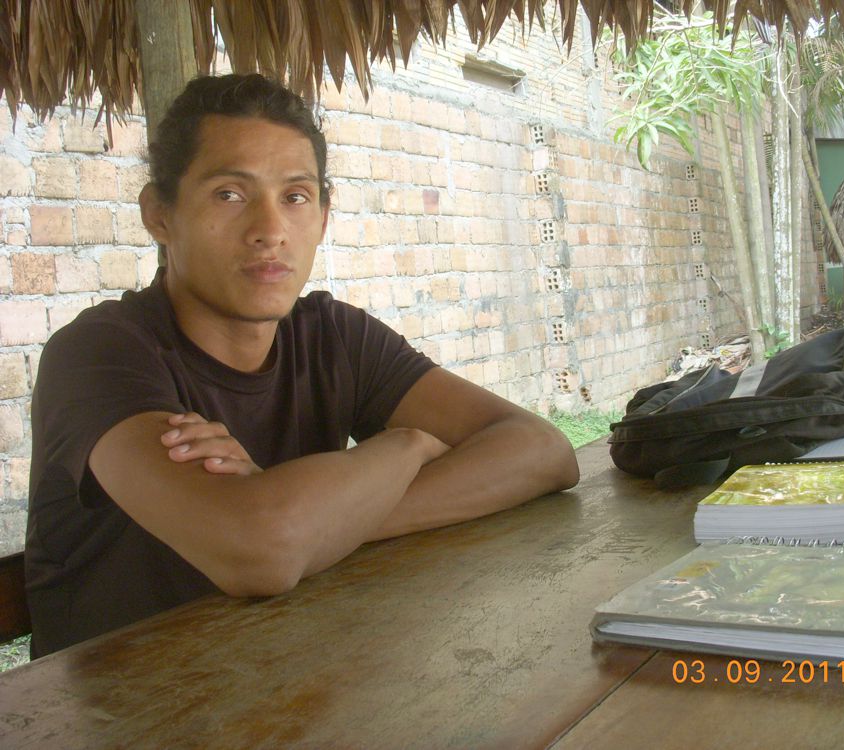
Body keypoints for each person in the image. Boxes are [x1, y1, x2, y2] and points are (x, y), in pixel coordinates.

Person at [25, 74, 580, 657]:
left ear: (322, 216)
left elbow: (543, 451)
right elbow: (260, 550)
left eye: (295, 197)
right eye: (229, 195)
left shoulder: (332, 336)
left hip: (288, 681)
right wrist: (406, 448)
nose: (270, 231)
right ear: (159, 215)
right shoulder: (100, 355)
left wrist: (324, 522)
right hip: (115, 718)